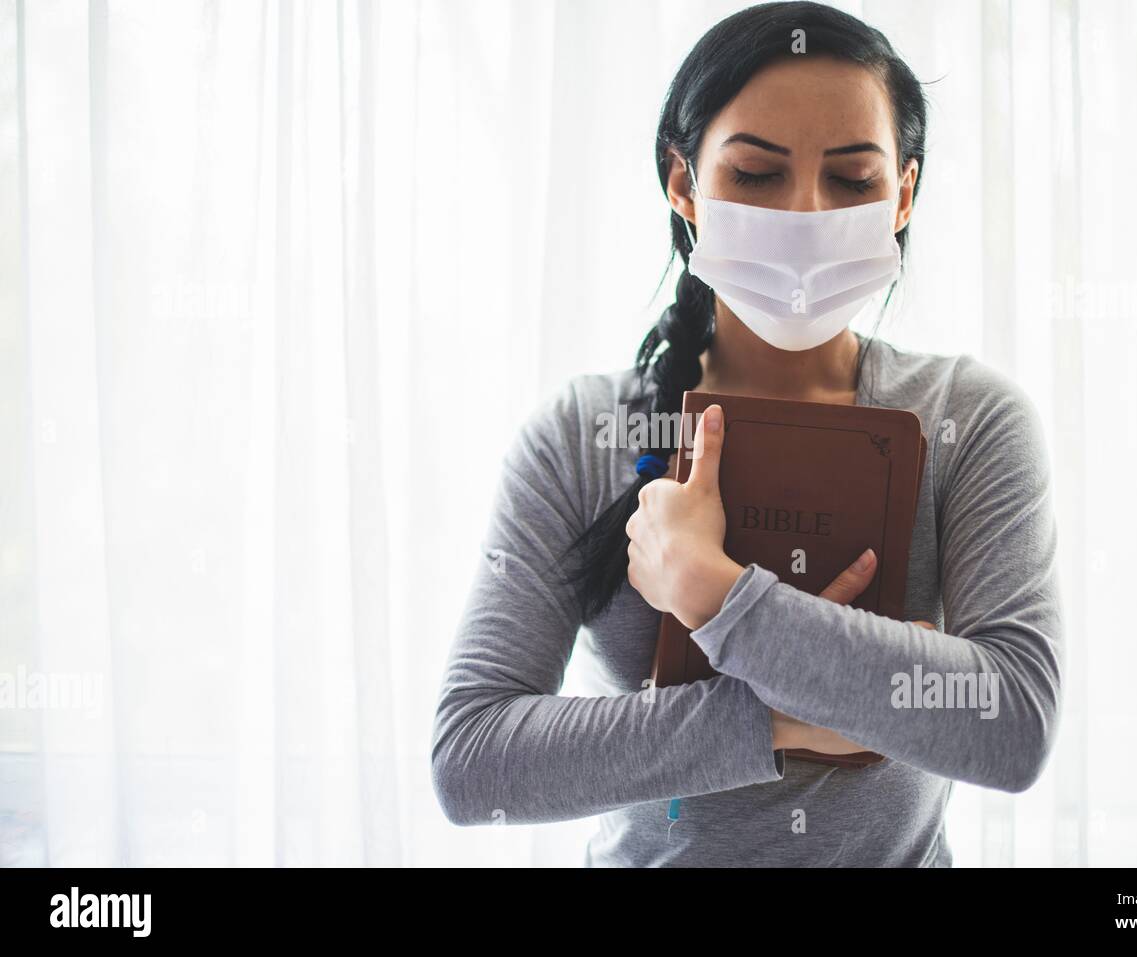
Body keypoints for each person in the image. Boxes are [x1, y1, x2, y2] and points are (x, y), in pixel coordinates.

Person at [431, 0, 1064, 867]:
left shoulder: (971, 420)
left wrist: (714, 592)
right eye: (758, 174)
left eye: (852, 180)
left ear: (905, 193)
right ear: (683, 181)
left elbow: (1014, 724)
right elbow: (472, 760)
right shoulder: (580, 435)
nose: (805, 213)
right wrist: (780, 715)